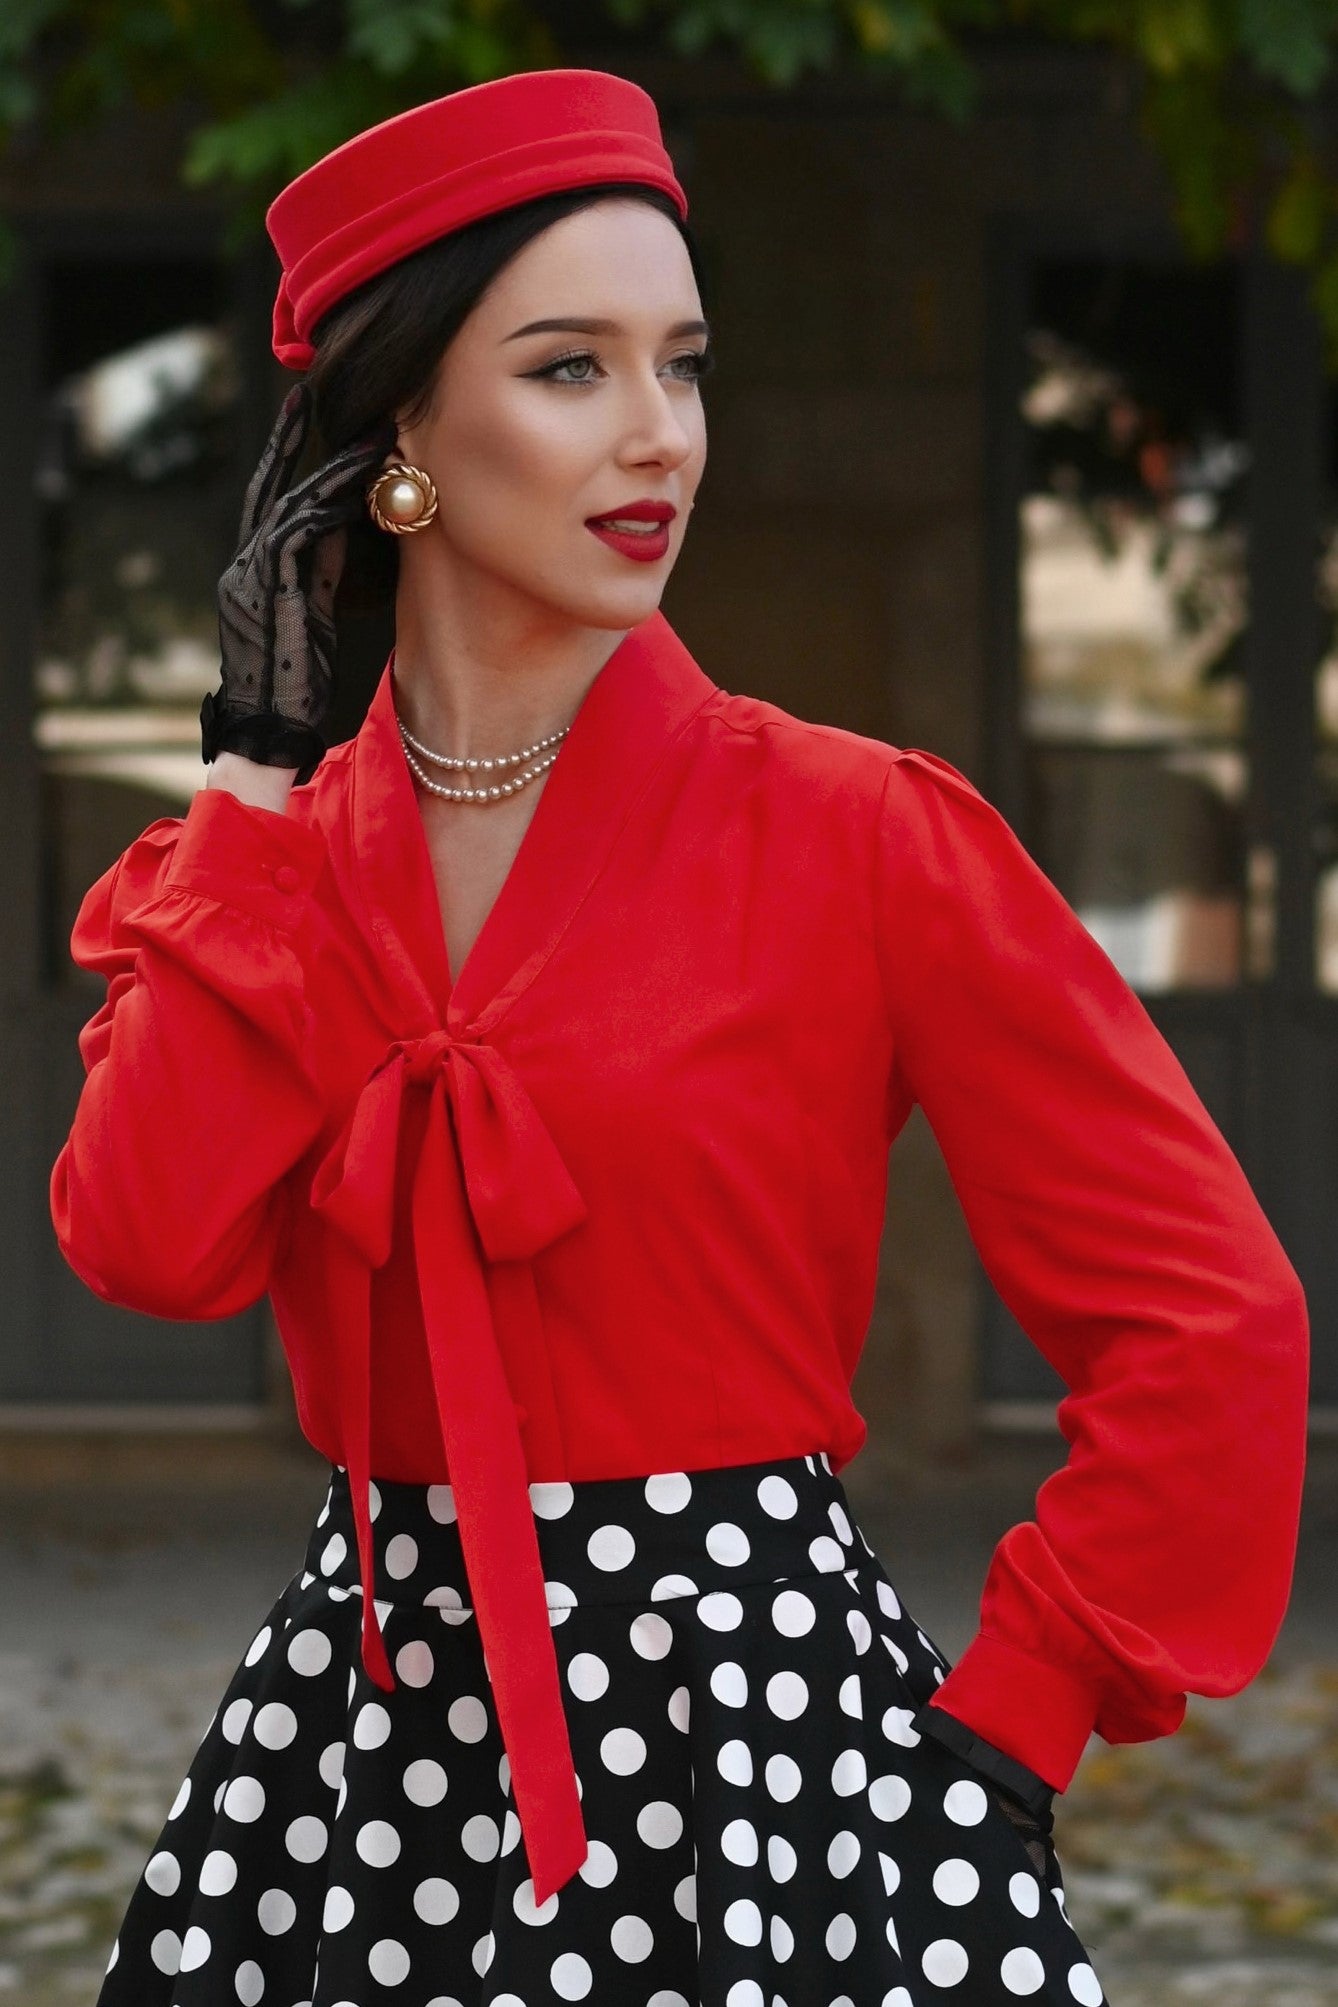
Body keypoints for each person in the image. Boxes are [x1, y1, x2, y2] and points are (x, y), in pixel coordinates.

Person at [49, 66, 1308, 2007]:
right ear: (403, 429)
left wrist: (1011, 1723)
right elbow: (144, 1238)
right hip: (358, 1761)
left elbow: (1211, 1316)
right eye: (573, 369)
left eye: (686, 364)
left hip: (771, 1772)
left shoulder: (859, 831)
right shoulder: (262, 870)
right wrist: (255, 775)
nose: (660, 438)